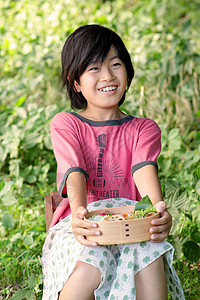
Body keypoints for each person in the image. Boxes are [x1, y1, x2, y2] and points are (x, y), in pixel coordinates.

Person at [42, 24, 185, 300]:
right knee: (93, 260)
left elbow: (144, 171)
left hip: (132, 228)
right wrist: (81, 213)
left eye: (115, 64)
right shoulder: (67, 123)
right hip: (82, 228)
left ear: (128, 72)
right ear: (75, 82)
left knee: (149, 249)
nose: (107, 75)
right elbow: (75, 173)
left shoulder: (143, 128)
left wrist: (156, 213)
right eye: (94, 68)